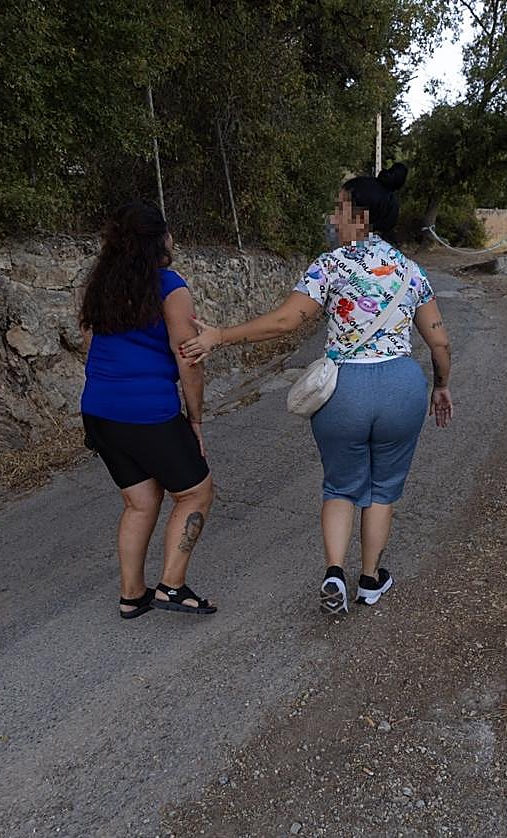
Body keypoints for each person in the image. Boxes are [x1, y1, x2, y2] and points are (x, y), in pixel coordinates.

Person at [180, 164, 452, 614]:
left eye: (339, 209)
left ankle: (333, 574)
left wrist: (220, 336)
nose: (332, 218)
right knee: (383, 488)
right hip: (401, 387)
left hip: (344, 388)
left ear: (360, 218)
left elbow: (288, 321)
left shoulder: (329, 266)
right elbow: (439, 342)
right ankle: (369, 580)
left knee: (341, 486)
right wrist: (440, 386)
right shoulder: (412, 272)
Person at [79, 201, 217, 619]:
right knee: (196, 492)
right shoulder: (169, 287)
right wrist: (194, 419)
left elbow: (89, 344)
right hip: (147, 412)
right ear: (161, 239)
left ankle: (132, 594)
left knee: (140, 502)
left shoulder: (100, 284)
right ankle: (171, 587)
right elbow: (187, 357)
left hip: (99, 409)